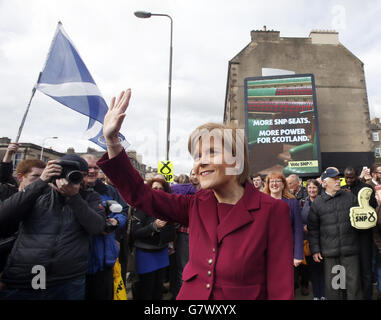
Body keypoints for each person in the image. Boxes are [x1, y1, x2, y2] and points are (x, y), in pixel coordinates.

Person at [97, 88, 294, 300]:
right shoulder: (195, 205)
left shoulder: (273, 210)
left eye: (212, 152)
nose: (201, 162)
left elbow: (280, 286)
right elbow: (140, 195)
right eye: (197, 156)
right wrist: (112, 141)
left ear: (237, 161)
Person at [0, 154, 107, 300]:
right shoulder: (38, 193)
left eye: (79, 175)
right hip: (27, 276)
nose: (71, 178)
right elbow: (4, 216)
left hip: (68, 280)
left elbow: (97, 227)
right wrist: (40, 182)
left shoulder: (89, 197)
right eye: (66, 174)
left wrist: (74, 198)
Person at [308, 168, 362, 300]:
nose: (338, 181)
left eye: (339, 179)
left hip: (350, 251)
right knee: (335, 288)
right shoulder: (318, 203)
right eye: (334, 179)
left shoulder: (350, 197)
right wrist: (315, 250)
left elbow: (360, 221)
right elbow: (313, 229)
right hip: (330, 253)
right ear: (325, 183)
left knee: (353, 287)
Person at [81, 154, 128, 300]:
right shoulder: (70, 192)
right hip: (79, 263)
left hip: (105, 260)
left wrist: (115, 223)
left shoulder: (109, 191)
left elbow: (123, 211)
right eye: (88, 167)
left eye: (95, 167)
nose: (92, 171)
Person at [131, 177, 175, 300]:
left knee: (158, 289)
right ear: (149, 189)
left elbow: (170, 229)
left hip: (162, 252)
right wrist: (153, 226)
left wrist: (170, 243)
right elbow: (135, 232)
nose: (158, 190)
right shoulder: (141, 206)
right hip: (145, 254)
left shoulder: (166, 206)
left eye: (161, 188)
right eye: (155, 188)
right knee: (146, 290)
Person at [264, 172, 304, 295]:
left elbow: (298, 229)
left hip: (286, 251)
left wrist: (298, 255)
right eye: (271, 181)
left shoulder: (292, 202)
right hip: (265, 252)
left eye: (278, 181)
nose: (274, 184)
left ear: (283, 184)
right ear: (268, 184)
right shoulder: (261, 202)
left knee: (286, 286)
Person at [343, 166, 377, 300]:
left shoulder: (366, 188)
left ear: (357, 175)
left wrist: (350, 196)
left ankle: (367, 296)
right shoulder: (342, 189)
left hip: (364, 235)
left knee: (366, 268)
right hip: (348, 235)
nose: (348, 180)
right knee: (351, 270)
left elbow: (373, 208)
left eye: (351, 177)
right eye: (346, 177)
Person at [170, 169, 200, 298]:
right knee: (184, 267)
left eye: (197, 174)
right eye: (193, 174)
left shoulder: (207, 190)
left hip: (200, 235)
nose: (195, 176)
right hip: (185, 234)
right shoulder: (181, 190)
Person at [301, 179, 325, 300]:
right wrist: (302, 227)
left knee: (322, 270)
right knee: (313, 271)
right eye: (309, 188)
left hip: (323, 242)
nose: (311, 190)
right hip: (309, 243)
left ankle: (324, 295)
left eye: (314, 188)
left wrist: (311, 227)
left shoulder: (324, 201)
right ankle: (316, 295)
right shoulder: (303, 203)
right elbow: (298, 221)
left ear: (318, 188)